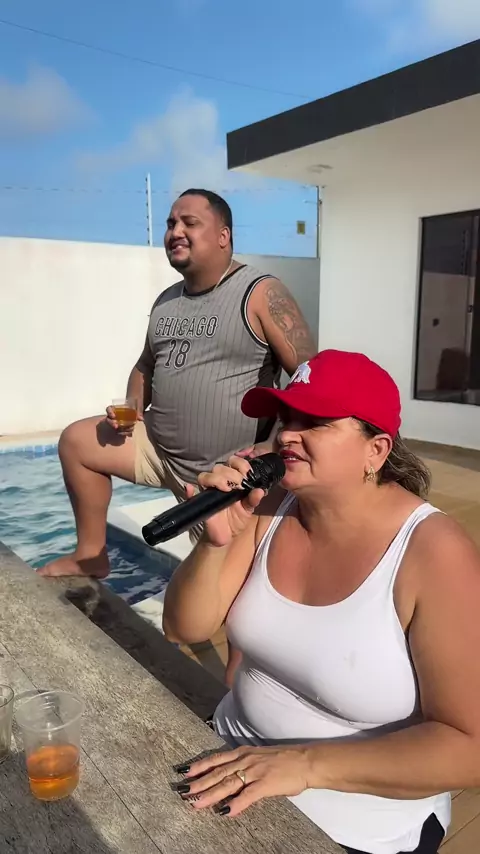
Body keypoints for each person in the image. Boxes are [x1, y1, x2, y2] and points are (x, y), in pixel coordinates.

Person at [163, 349, 480, 854]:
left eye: (314, 422)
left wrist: (302, 765)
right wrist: (215, 543)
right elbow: (184, 628)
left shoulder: (434, 553)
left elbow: (468, 747)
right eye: (286, 418)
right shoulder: (270, 505)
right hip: (226, 759)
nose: (287, 434)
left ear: (376, 450)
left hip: (357, 822)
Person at [39, 188, 316, 579]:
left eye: (190, 223)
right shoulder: (167, 300)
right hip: (158, 449)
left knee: (228, 592)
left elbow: (309, 376)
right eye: (171, 223)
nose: (175, 231)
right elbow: (146, 364)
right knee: (77, 442)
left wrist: (272, 446)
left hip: (223, 473)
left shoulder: (260, 293)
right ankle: (91, 555)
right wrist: (134, 405)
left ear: (223, 235)